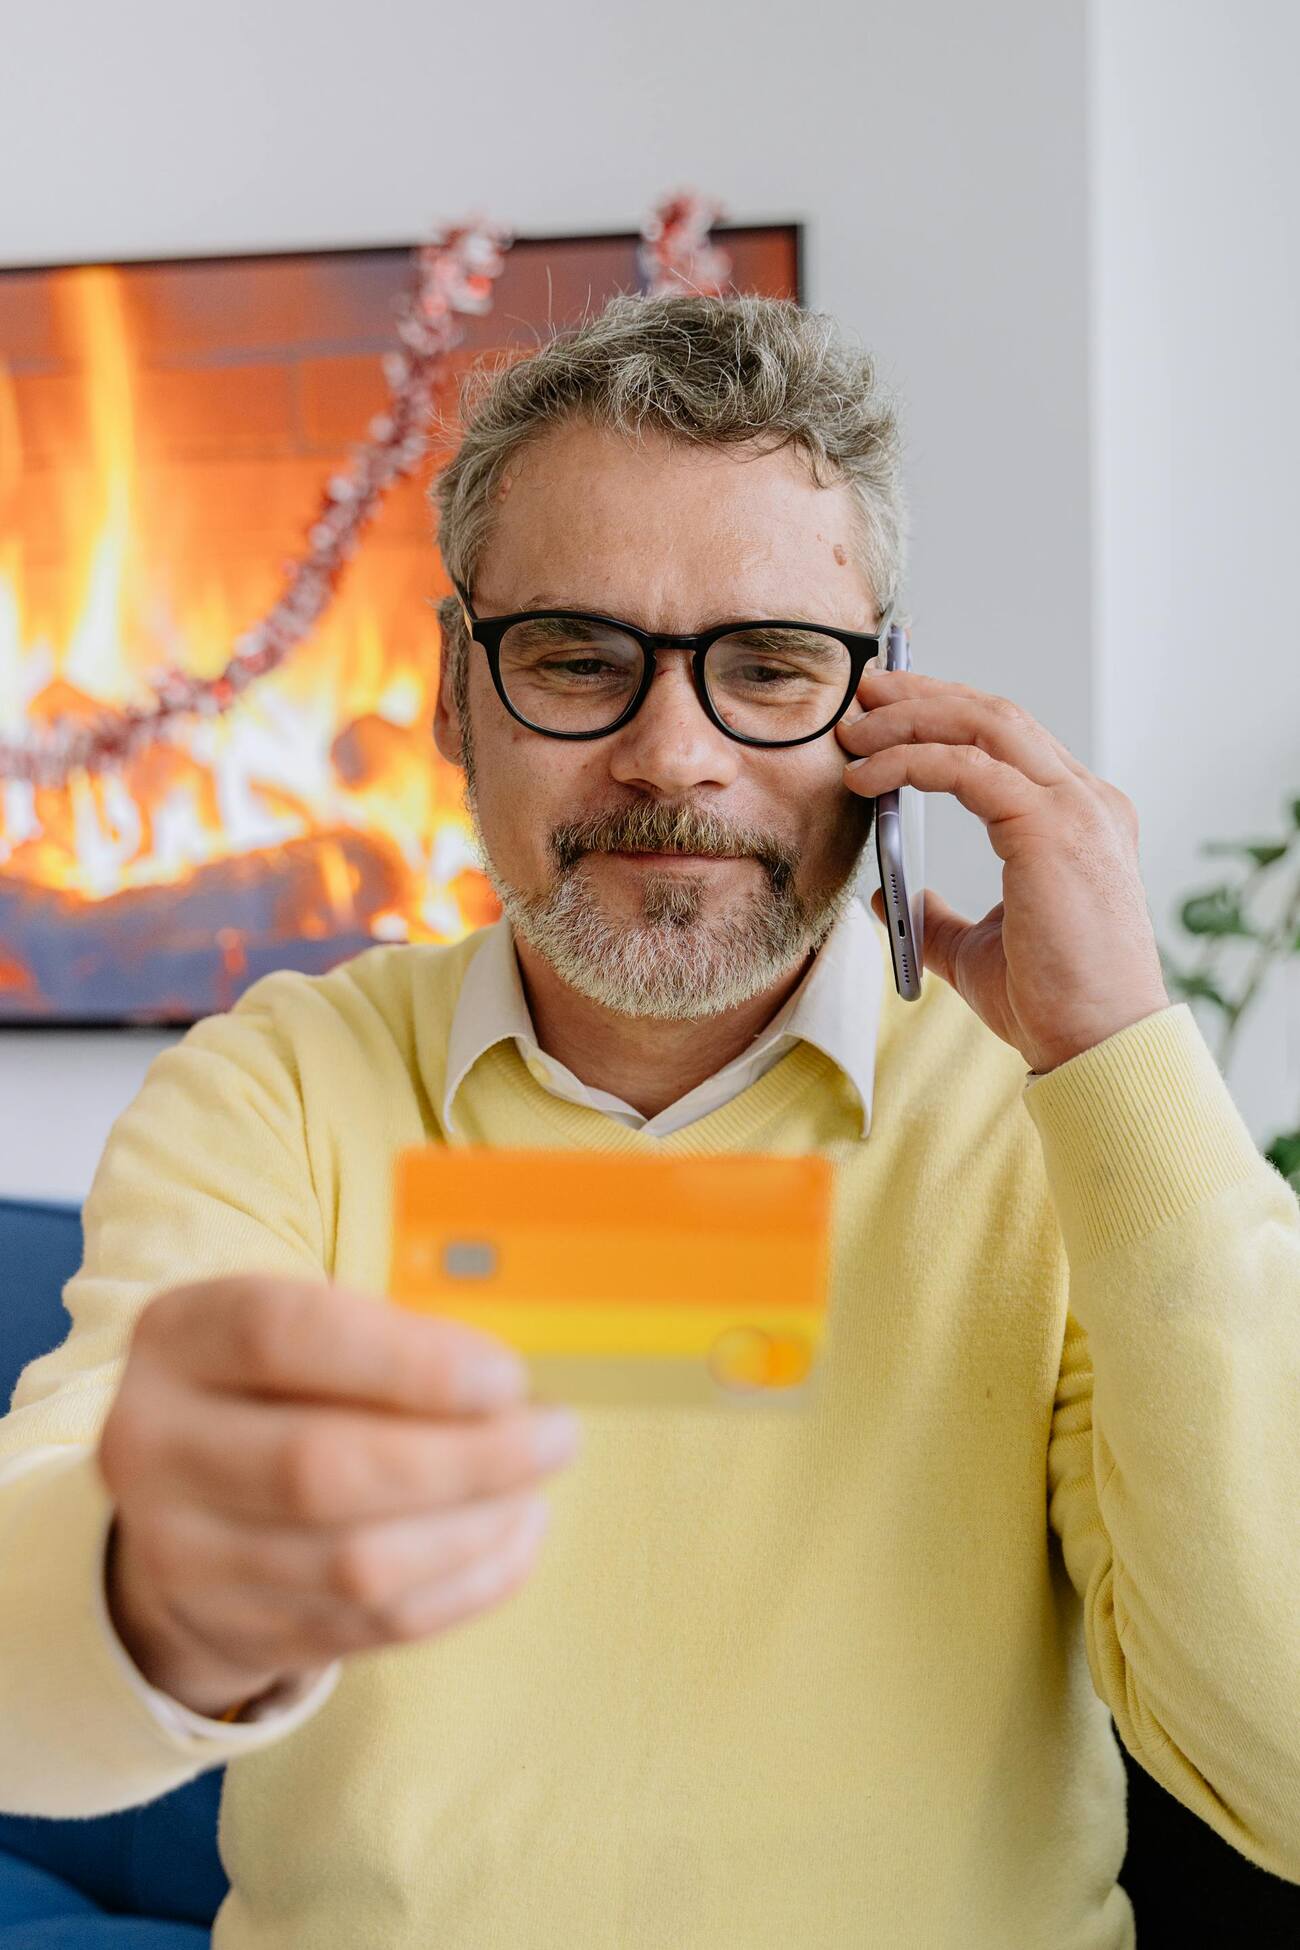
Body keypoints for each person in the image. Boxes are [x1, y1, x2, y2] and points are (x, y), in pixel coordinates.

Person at [1, 294, 1297, 1950]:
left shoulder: (1054, 1126)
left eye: (767, 665)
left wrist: (1126, 1052)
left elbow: (1284, 1763)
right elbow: (24, 1688)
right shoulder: (284, 1087)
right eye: (575, 658)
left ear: (883, 709)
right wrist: (154, 1587)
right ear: (457, 698)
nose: (669, 754)